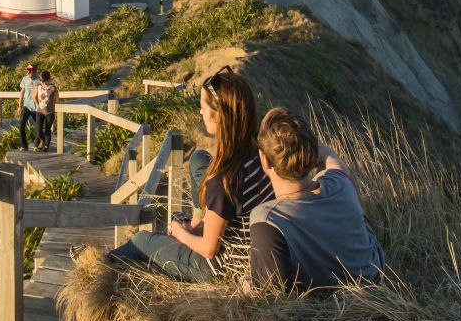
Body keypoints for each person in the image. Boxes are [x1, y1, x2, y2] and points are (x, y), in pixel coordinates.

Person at [106, 70, 273, 281]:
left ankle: (99, 267)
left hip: (223, 267)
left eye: (203, 108)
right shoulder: (261, 150)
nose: (201, 112)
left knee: (140, 240)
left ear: (218, 115)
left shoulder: (222, 182)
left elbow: (209, 250)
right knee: (199, 159)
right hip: (250, 242)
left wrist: (179, 233)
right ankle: (198, 221)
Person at [246, 107, 383, 293]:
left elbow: (271, 296)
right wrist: (312, 149)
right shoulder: (339, 182)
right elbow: (331, 157)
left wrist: (247, 289)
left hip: (331, 309)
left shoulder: (268, 218)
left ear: (266, 161)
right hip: (374, 280)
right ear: (311, 151)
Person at [18, 64, 42, 150]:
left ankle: (37, 145)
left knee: (39, 127)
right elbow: (22, 92)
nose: (27, 72)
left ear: (34, 71)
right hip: (26, 106)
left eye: (29, 71)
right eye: (27, 71)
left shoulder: (39, 80)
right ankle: (24, 147)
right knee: (21, 127)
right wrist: (19, 106)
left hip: (36, 107)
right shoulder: (24, 79)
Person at [35, 70, 59, 151]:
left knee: (47, 130)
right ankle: (42, 140)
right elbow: (34, 96)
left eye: (44, 81)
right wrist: (38, 104)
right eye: (41, 80)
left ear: (49, 79)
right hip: (39, 111)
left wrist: (53, 107)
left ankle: (46, 146)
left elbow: (57, 99)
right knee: (38, 129)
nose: (43, 82)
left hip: (50, 112)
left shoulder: (53, 88)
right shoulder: (38, 87)